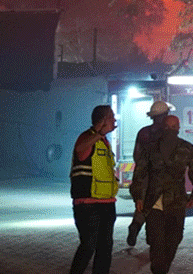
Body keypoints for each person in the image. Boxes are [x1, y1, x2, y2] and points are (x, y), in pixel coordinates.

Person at [130, 113, 193, 274]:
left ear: (178, 128)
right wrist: (138, 197)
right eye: (167, 127)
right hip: (154, 202)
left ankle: (162, 269)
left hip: (176, 203)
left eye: (173, 127)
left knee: (174, 240)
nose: (170, 130)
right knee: (156, 244)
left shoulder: (187, 148)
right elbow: (139, 173)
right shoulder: (151, 149)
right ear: (162, 128)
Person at [69, 104, 119, 274]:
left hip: (106, 202)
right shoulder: (87, 138)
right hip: (88, 204)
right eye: (111, 117)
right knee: (89, 245)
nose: (114, 120)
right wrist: (97, 133)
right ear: (103, 120)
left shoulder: (104, 142)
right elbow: (80, 150)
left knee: (105, 247)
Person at [127, 100, 175, 247]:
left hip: (143, 176)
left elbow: (136, 155)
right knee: (157, 207)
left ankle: (135, 225)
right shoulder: (167, 133)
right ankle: (153, 238)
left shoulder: (143, 132)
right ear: (165, 115)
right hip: (160, 177)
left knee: (143, 204)